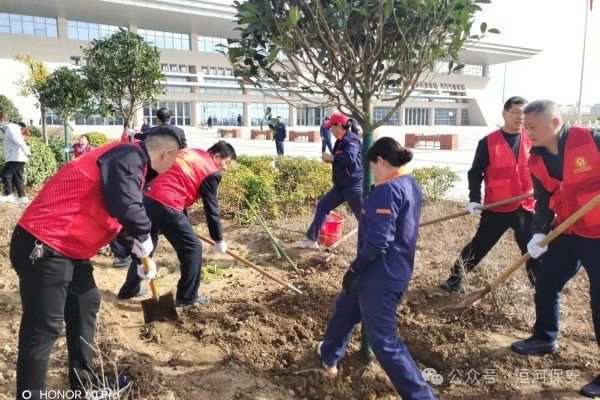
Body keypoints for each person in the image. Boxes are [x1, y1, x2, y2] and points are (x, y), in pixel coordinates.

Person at [9, 127, 181, 400]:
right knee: (44, 327)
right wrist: (144, 234)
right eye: (175, 160)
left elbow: (114, 211)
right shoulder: (129, 156)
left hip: (69, 248)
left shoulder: (128, 163)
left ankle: (85, 385)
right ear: (166, 154)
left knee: (85, 302)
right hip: (44, 243)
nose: (172, 167)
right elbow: (125, 205)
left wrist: (138, 254)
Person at [318, 137, 436, 400]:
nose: (372, 172)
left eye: (372, 166)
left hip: (380, 275)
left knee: (383, 341)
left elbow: (378, 242)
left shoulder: (387, 190)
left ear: (381, 161)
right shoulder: (411, 184)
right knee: (345, 310)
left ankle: (421, 396)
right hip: (387, 270)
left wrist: (355, 268)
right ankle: (329, 357)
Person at [509, 100, 600, 398]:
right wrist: (538, 232)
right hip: (569, 230)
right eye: (526, 128)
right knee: (546, 280)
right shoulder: (536, 159)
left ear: (555, 122)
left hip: (599, 234)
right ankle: (544, 337)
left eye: (533, 127)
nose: (529, 133)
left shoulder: (592, 140)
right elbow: (543, 200)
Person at [117, 141, 236, 306]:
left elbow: (177, 181)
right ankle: (187, 297)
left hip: (148, 198)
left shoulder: (190, 153)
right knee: (193, 248)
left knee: (145, 246)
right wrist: (218, 239)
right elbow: (211, 209)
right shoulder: (211, 171)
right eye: (226, 162)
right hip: (167, 203)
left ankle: (129, 290)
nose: (226, 168)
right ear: (216, 156)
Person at [440, 96, 539, 293]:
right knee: (480, 245)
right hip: (497, 206)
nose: (520, 117)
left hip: (525, 204)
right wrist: (474, 199)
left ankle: (540, 286)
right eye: (515, 112)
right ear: (504, 114)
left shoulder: (534, 140)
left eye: (524, 113)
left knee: (533, 249)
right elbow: (475, 173)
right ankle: (454, 280)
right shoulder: (488, 142)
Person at [294, 111, 362, 249]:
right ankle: (311, 240)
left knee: (364, 217)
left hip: (353, 185)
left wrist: (332, 158)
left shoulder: (352, 140)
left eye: (332, 127)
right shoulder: (339, 141)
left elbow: (350, 158)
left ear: (339, 126)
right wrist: (331, 160)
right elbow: (341, 161)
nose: (330, 130)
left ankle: (379, 247)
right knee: (323, 206)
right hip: (340, 186)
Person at [0, 111, 31, 205]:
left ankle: (8, 194)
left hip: (16, 157)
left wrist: (27, 152)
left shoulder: (10, 127)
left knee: (6, 175)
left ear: (2, 119)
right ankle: (22, 197)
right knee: (18, 178)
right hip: (17, 157)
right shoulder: (9, 128)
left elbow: (19, 141)